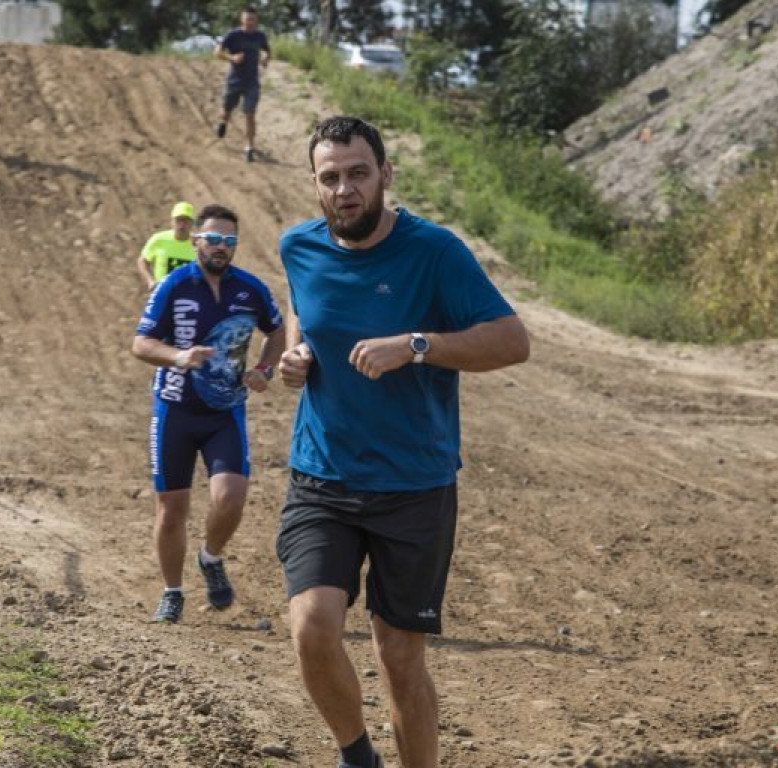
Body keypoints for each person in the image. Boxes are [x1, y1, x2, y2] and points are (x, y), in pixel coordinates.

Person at [276, 116, 530, 768]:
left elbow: (512, 340)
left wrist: (418, 346)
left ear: (385, 175)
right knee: (312, 627)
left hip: (413, 485)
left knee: (399, 657)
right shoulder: (297, 247)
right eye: (330, 178)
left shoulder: (436, 253)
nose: (344, 189)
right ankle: (356, 756)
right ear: (315, 184)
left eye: (358, 173)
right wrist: (297, 354)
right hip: (322, 477)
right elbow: (302, 310)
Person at [132, 204, 285, 625]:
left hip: (225, 412)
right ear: (196, 240)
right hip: (175, 411)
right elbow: (141, 344)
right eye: (213, 239)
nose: (221, 247)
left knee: (231, 498)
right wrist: (179, 356)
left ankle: (210, 557)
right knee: (172, 507)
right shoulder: (172, 286)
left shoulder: (251, 289)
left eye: (229, 241)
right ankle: (172, 592)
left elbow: (277, 331)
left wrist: (264, 369)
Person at [214, 6, 270, 163]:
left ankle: (249, 147)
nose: (250, 22)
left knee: (250, 114)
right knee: (227, 109)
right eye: (247, 19)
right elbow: (217, 52)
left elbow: (266, 50)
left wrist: (265, 58)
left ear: (256, 20)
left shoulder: (260, 36)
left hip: (252, 82)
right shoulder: (233, 35)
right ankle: (223, 122)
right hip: (234, 80)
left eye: (253, 19)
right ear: (242, 19)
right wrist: (231, 58)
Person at [137, 201, 197, 291]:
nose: (182, 225)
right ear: (172, 222)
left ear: (192, 223)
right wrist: (150, 281)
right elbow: (143, 260)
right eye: (178, 220)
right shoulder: (159, 239)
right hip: (163, 294)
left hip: (187, 297)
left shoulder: (198, 244)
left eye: (186, 221)